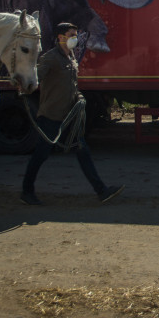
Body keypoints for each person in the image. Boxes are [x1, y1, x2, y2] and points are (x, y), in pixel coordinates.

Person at [21, 22, 123, 206]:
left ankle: (102, 191)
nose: (75, 38)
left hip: (69, 117)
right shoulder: (50, 58)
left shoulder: (71, 59)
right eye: (71, 34)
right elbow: (37, 78)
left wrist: (80, 97)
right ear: (60, 37)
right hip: (51, 116)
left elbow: (72, 87)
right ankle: (26, 191)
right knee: (41, 155)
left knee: (83, 152)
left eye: (76, 34)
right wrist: (26, 84)